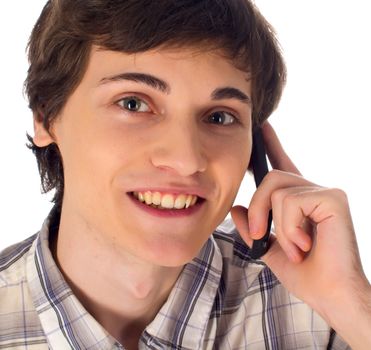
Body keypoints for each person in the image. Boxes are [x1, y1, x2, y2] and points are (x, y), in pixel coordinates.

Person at [0, 0, 370, 349]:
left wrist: (352, 305)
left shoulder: (319, 311)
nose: (186, 159)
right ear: (46, 117)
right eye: (133, 103)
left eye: (220, 116)